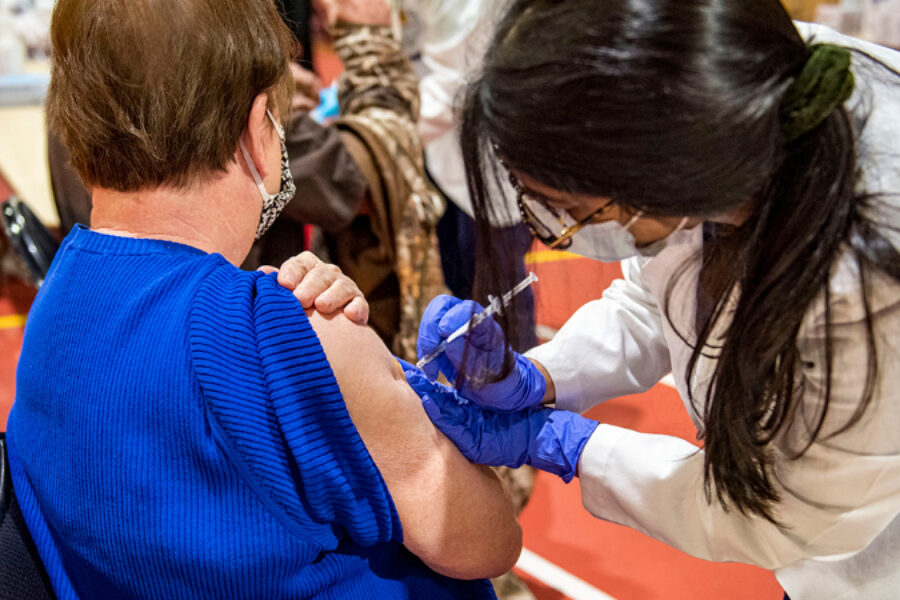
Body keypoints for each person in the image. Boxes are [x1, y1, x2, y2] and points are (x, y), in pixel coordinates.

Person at [6, 1, 522, 599]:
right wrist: (396, 385)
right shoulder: (293, 334)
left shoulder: (54, 303)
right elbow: (490, 539)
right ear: (259, 129)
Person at [409, 1, 900, 599]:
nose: (555, 228)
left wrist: (566, 444)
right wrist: (541, 377)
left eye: (566, 209)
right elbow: (658, 298)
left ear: (653, 181)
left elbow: (780, 515)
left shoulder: (872, 288)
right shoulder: (702, 103)